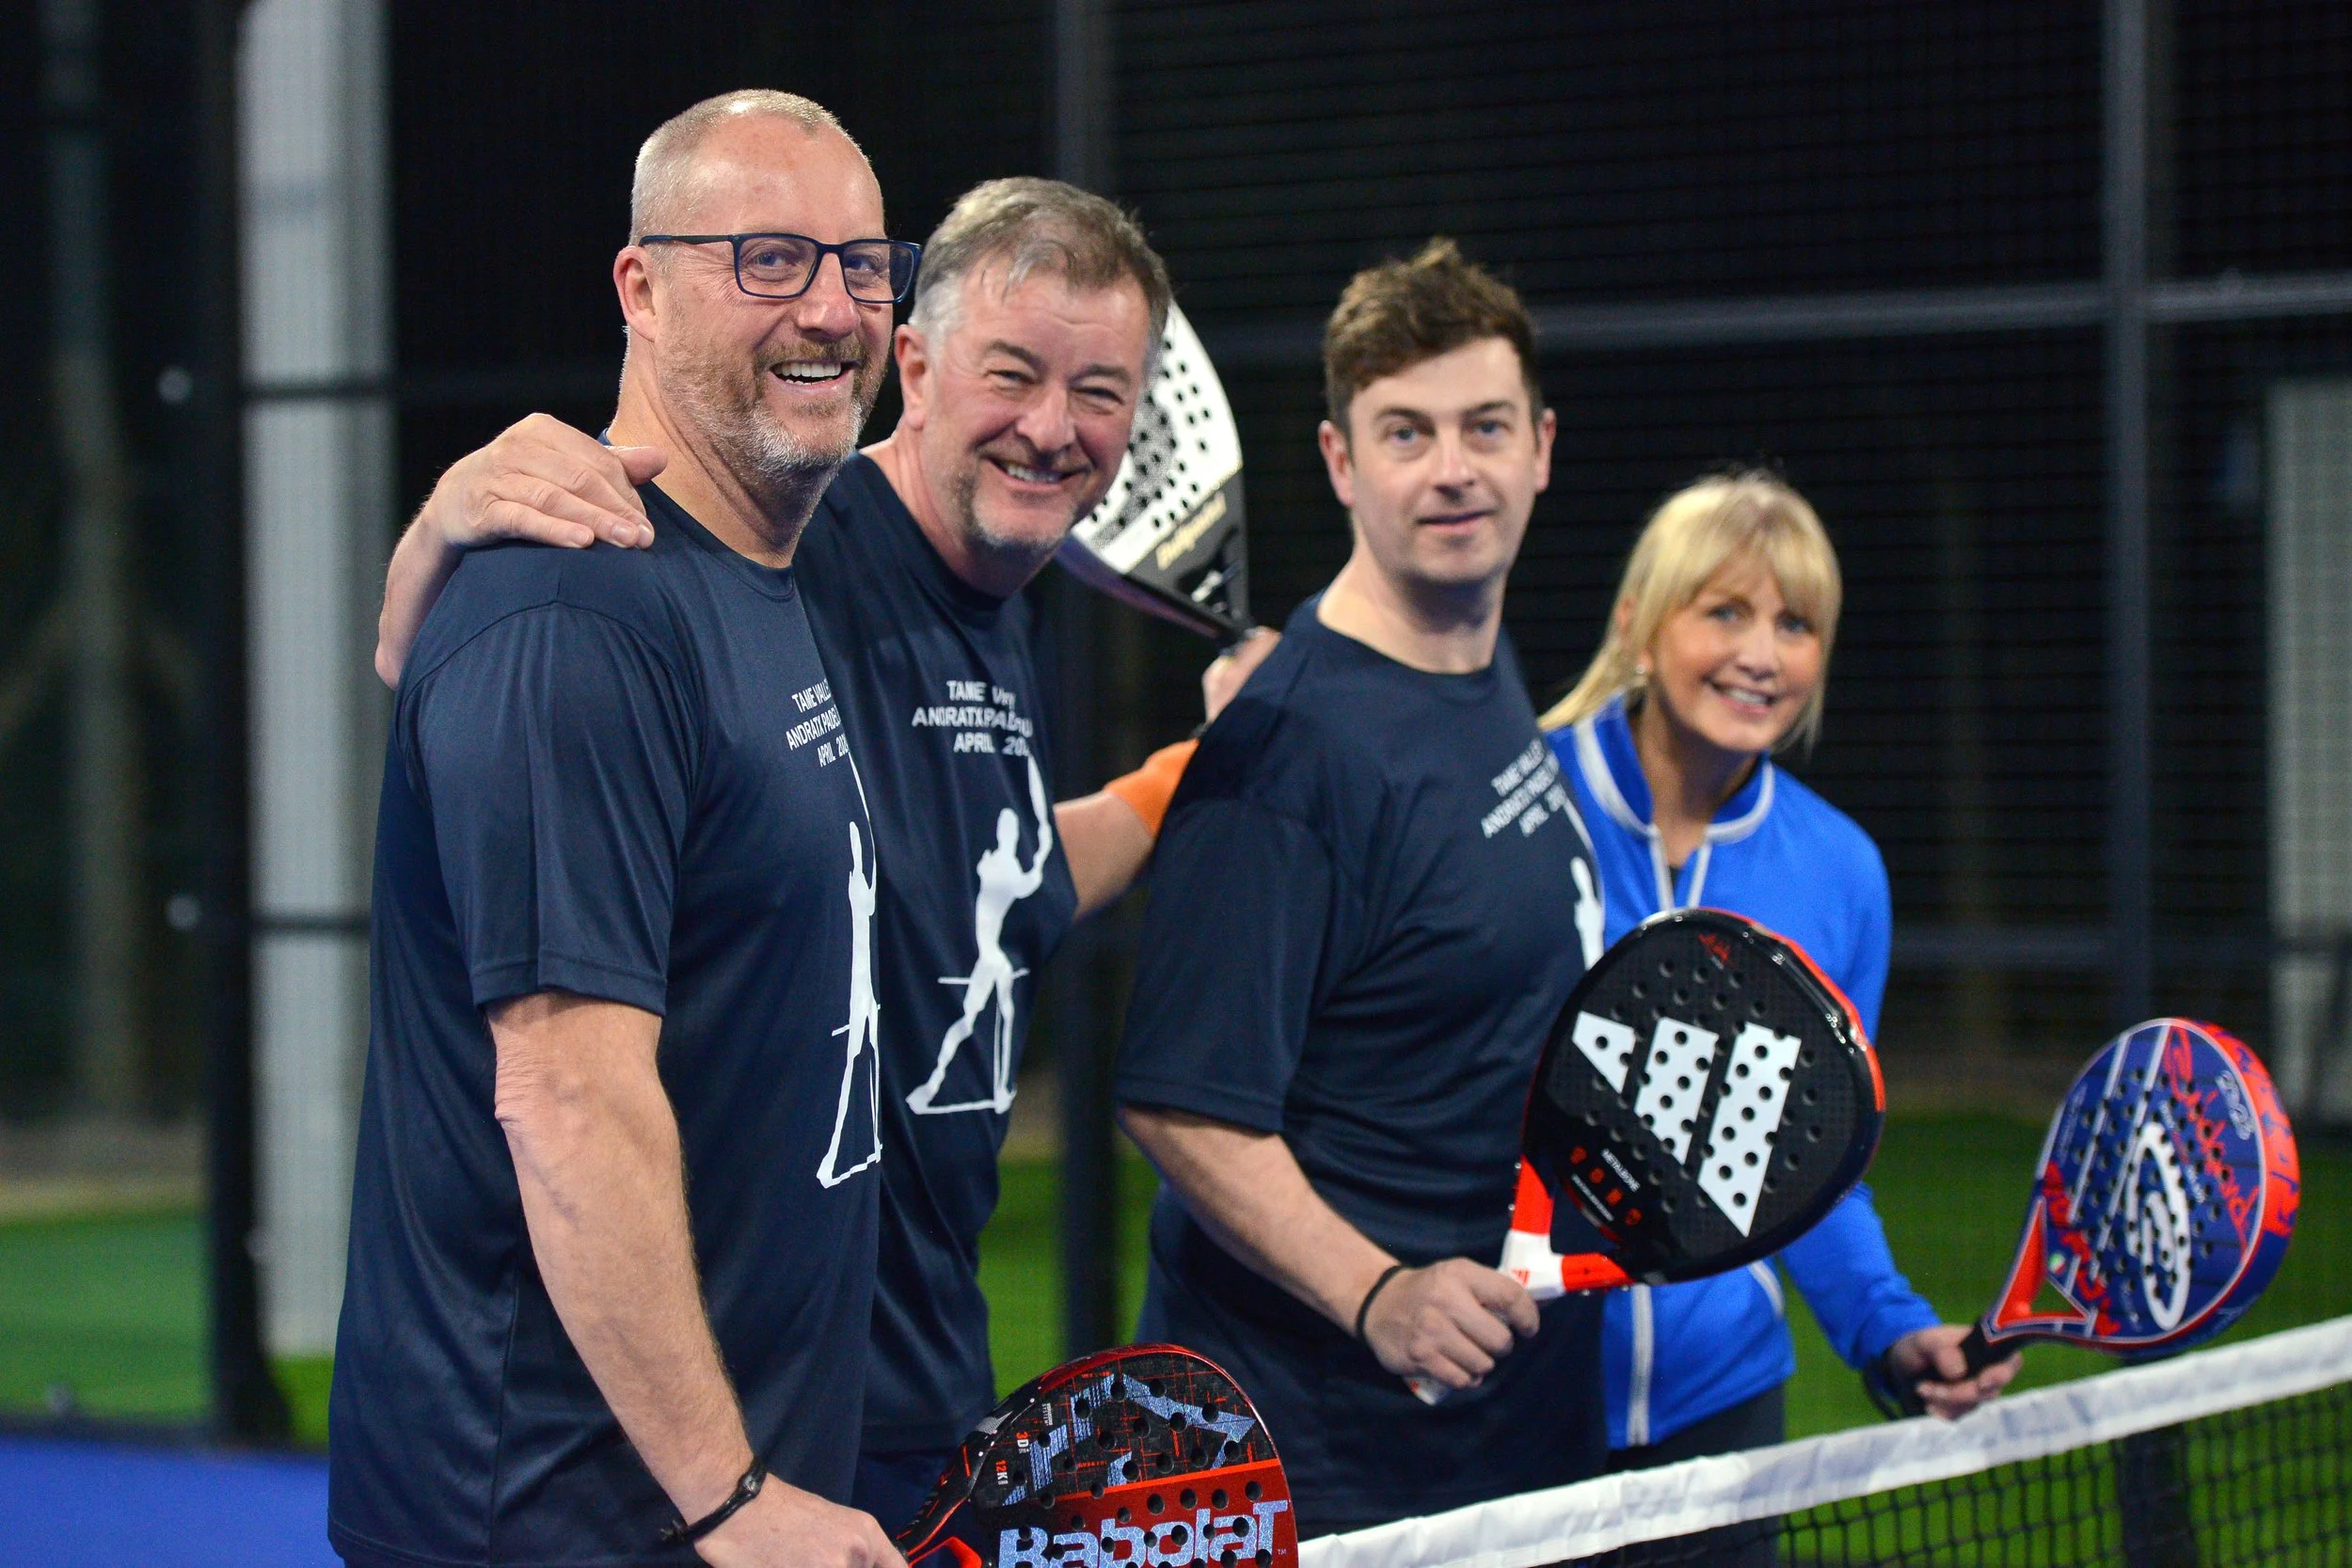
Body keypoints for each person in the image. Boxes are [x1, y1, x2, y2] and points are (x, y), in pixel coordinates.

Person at [371, 176, 1276, 1534]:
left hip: (904, 1385)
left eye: (1099, 391)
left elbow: (1005, 884)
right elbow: (465, 649)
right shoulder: (800, 538)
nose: (1051, 427)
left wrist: (1180, 779)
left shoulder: (998, 610)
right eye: (1012, 373)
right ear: (911, 361)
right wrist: (443, 519)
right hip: (722, 1427)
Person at [333, 91, 913, 1568]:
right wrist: (727, 1495)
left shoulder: (773, 567)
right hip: (564, 1517)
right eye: (770, 258)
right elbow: (565, 1097)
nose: (830, 308)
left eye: (861, 262)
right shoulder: (569, 612)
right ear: (640, 288)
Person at [1113, 240, 1611, 1535]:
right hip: (1333, 1468)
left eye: (1484, 426)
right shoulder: (1285, 756)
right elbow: (1180, 1103)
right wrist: (1380, 1289)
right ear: (1344, 463)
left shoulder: (1478, 665)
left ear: (1540, 446)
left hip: (1507, 1434)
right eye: (1407, 432)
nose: (1453, 467)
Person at [1539, 475, 2020, 1553]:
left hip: (1722, 1412)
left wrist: (1890, 1331)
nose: (1762, 652)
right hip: (1503, 1402)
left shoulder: (1840, 871)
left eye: (1794, 623)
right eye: (1724, 610)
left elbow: (1805, 1163)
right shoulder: (1520, 803)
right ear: (1638, 626)